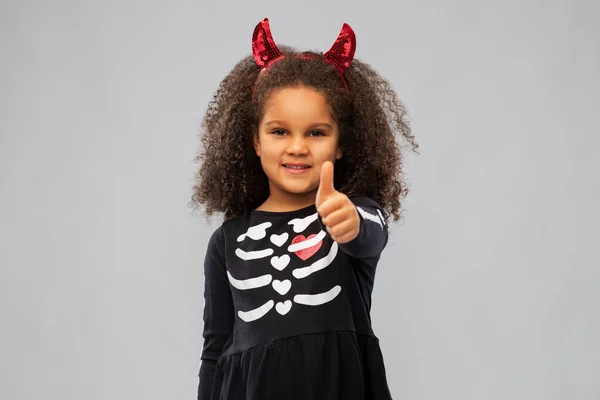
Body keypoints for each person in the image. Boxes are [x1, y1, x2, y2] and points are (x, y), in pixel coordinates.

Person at [191, 17, 419, 400]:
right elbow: (215, 348)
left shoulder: (352, 214)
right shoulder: (226, 241)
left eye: (316, 132)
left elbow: (370, 233)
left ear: (341, 144)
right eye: (279, 131)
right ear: (255, 141)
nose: (297, 147)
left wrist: (350, 223)